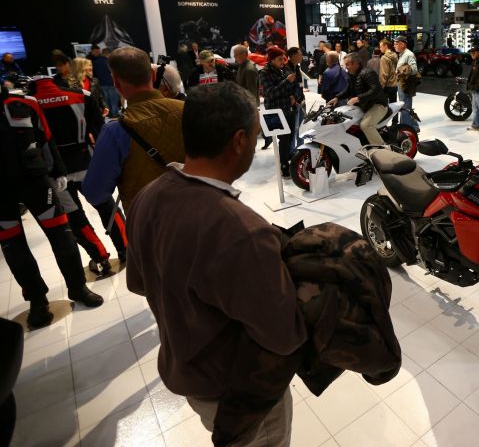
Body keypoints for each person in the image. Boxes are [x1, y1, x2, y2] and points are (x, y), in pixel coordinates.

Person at [127, 82, 306, 445]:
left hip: (187, 370)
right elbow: (283, 335)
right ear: (239, 141)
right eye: (255, 136)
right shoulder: (241, 231)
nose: (256, 145)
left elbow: (139, 282)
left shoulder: (146, 198)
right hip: (240, 392)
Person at [1, 85, 104, 328]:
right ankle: (37, 300)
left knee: (62, 236)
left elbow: (46, 138)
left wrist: (58, 171)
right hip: (2, 196)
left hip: (36, 183)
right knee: (13, 248)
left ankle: (77, 288)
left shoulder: (25, 104)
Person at [30, 76, 128, 273]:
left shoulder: (28, 103)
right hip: (87, 163)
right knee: (107, 206)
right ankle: (126, 249)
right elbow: (101, 132)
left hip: (54, 173)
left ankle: (100, 257)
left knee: (75, 217)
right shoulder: (81, 96)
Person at [82, 47, 186, 215]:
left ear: (115, 82)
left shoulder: (114, 131)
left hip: (150, 228)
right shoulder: (191, 111)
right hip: (201, 218)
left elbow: (95, 194)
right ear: (152, 76)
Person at [260, 47, 302, 177]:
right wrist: (286, 82)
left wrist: (295, 97)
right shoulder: (264, 73)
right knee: (283, 139)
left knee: (289, 138)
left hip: (289, 109)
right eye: (279, 59)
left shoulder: (284, 69)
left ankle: (286, 160)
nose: (282, 62)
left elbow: (295, 86)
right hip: (276, 111)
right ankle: (283, 165)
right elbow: (269, 93)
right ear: (271, 59)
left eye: (283, 59)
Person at [329, 52, 388, 145]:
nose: (346, 67)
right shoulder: (353, 75)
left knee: (365, 125)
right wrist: (337, 98)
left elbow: (375, 90)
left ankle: (382, 149)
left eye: (348, 64)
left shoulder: (368, 73)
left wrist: (358, 98)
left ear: (356, 63)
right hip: (365, 106)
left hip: (378, 104)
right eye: (345, 65)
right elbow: (349, 89)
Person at [394, 36, 420, 132]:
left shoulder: (409, 54)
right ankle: (412, 126)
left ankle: (406, 129)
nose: (394, 46)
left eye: (396, 44)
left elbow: (414, 69)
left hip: (406, 85)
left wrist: (402, 70)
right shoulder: (402, 54)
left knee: (405, 107)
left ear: (403, 44)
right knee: (404, 106)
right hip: (402, 84)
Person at [89, 45, 119, 117]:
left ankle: (109, 114)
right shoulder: (110, 62)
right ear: (109, 54)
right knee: (114, 100)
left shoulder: (96, 62)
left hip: (101, 84)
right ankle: (115, 115)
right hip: (111, 84)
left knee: (106, 101)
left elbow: (95, 74)